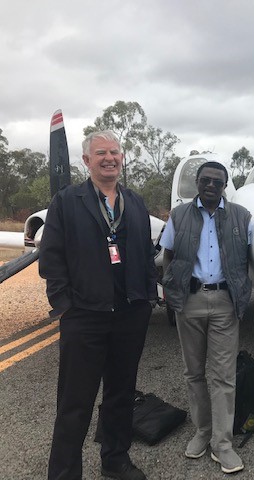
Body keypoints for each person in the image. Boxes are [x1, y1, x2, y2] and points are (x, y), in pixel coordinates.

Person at [39, 131, 157, 480]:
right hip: (85, 316)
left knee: (121, 394)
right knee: (75, 402)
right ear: (86, 161)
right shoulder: (67, 201)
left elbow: (146, 256)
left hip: (130, 314)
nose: (110, 158)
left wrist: (147, 299)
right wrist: (64, 305)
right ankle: (64, 473)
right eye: (101, 153)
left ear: (122, 159)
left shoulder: (135, 203)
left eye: (115, 152)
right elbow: (52, 257)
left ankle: (115, 460)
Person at [160, 161, 252, 474]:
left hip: (226, 302)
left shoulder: (242, 217)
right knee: (194, 371)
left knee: (223, 375)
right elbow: (168, 254)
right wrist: (173, 287)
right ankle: (202, 431)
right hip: (191, 300)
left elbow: (253, 256)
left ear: (225, 185)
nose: (211, 186)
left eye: (217, 181)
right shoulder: (179, 215)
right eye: (205, 180)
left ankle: (222, 443)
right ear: (197, 183)